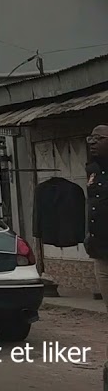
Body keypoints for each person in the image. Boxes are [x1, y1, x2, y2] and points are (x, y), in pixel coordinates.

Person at [85, 125, 108, 306]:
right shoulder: (93, 170)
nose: (93, 143)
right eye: (91, 138)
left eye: (99, 138)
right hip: (100, 249)